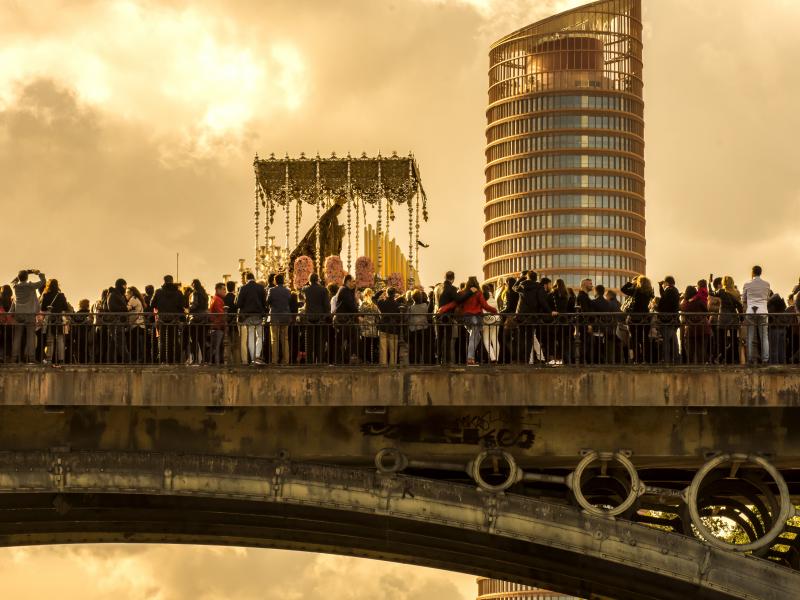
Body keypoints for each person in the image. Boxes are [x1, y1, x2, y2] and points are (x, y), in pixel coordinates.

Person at [441, 276, 497, 366]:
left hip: (465, 318)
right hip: (475, 318)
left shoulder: (463, 292)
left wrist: (443, 308)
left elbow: (455, 303)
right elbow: (485, 305)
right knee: (473, 337)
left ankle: (470, 358)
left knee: (477, 337)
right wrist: (494, 311)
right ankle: (470, 359)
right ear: (477, 283)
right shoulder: (478, 293)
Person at [10, 269, 46, 363]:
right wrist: (37, 273)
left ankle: (14, 358)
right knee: (30, 337)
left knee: (17, 337)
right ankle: (31, 358)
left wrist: (26, 272)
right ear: (26, 277)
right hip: (29, 314)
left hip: (19, 314)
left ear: (19, 278)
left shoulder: (15, 287)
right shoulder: (30, 286)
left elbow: (13, 281)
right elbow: (43, 281)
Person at [151, 275, 187, 364]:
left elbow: (152, 304)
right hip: (174, 320)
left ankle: (163, 360)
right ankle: (176, 359)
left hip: (162, 320)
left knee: (163, 340)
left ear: (164, 281)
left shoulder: (158, 292)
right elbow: (184, 304)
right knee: (174, 340)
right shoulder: (178, 292)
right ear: (172, 281)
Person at [621, 275, 655, 364]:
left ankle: (637, 359)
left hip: (634, 318)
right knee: (645, 339)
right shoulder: (650, 292)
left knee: (634, 339)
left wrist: (631, 283)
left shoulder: (636, 291)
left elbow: (623, 289)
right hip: (646, 318)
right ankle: (646, 359)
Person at [235, 272, 267, 365]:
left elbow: (238, 304)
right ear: (254, 278)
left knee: (251, 337)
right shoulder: (260, 288)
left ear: (246, 278)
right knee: (260, 336)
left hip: (247, 316)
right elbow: (265, 302)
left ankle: (253, 358)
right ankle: (257, 355)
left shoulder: (243, 288)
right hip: (258, 315)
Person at [742, 265, 770, 364]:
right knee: (764, 336)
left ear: (752, 272)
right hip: (763, 311)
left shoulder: (747, 284)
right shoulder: (767, 284)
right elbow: (767, 297)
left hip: (751, 311)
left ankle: (750, 359)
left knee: (750, 336)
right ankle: (765, 359)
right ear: (760, 272)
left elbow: (744, 299)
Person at [302, 273, 330, 365]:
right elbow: (326, 305)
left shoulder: (306, 290)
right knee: (320, 342)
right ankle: (320, 361)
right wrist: (326, 316)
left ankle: (309, 362)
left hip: (309, 318)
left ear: (310, 280)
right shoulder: (323, 290)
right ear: (318, 279)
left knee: (309, 342)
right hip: (320, 319)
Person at [40, 278, 69, 365]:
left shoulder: (46, 295)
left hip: (50, 319)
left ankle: (49, 359)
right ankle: (61, 359)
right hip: (59, 318)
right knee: (60, 339)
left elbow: (43, 308)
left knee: (50, 340)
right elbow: (65, 307)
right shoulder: (61, 295)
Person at [333, 274, 359, 364]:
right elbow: (351, 305)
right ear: (347, 281)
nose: (354, 283)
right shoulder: (344, 290)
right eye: (353, 281)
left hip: (346, 320)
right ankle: (340, 360)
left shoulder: (347, 290)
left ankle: (344, 359)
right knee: (343, 341)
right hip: (343, 320)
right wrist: (358, 313)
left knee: (349, 340)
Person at [266, 273, 292, 365]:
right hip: (285, 316)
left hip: (275, 317)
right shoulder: (288, 290)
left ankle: (274, 360)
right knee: (285, 339)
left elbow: (267, 301)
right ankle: (286, 360)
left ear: (275, 281)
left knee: (274, 339)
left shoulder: (271, 290)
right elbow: (289, 300)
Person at [681, 286, 710, 364]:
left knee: (690, 351)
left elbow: (683, 313)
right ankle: (702, 368)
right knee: (702, 350)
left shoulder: (686, 304)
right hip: (703, 329)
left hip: (691, 330)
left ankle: (691, 368)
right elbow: (706, 312)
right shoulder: (700, 301)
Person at [435, 271, 459, 364]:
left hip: (437, 315)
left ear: (445, 277)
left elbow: (435, 302)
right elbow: (456, 302)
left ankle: (438, 358)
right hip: (448, 316)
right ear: (453, 279)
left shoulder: (437, 288)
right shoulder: (453, 289)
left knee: (439, 337)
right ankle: (447, 360)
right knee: (448, 339)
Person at [656, 276, 680, 364]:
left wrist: (657, 308)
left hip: (667, 319)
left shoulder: (669, 291)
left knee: (666, 341)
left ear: (667, 282)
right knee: (673, 340)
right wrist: (661, 287)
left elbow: (663, 301)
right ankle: (676, 359)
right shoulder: (674, 290)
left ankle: (666, 360)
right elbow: (664, 297)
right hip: (673, 319)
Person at [105, 278, 129, 363]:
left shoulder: (116, 294)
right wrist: (126, 308)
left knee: (114, 343)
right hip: (116, 322)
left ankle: (110, 361)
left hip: (117, 322)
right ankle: (126, 361)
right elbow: (112, 308)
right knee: (121, 342)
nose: (126, 287)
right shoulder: (113, 295)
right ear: (121, 285)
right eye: (125, 285)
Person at [377, 287, 401, 366]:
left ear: (387, 293)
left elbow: (374, 298)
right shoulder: (397, 305)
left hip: (383, 327)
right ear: (394, 294)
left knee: (383, 348)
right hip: (393, 328)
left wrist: (381, 291)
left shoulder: (381, 302)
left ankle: (383, 365)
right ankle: (393, 365)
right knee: (393, 349)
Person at [187, 279, 209, 365]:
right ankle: (205, 360)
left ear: (193, 285)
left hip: (195, 319)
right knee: (202, 340)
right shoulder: (205, 294)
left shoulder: (195, 293)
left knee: (194, 340)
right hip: (204, 319)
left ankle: (195, 359)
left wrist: (188, 310)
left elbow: (194, 305)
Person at [408, 289, 431, 364]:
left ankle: (415, 362)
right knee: (424, 347)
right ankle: (426, 362)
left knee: (415, 347)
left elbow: (407, 317)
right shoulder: (425, 306)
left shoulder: (411, 308)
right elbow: (428, 316)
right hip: (424, 328)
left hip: (413, 329)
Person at [358, 287, 381, 363]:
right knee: (373, 345)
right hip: (373, 328)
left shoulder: (363, 305)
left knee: (366, 345)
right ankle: (373, 360)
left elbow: (359, 315)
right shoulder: (374, 306)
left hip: (365, 328)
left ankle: (366, 360)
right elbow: (378, 316)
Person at [126, 286, 146, 363]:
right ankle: (140, 359)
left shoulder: (133, 299)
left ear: (131, 293)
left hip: (136, 324)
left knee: (134, 344)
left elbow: (127, 309)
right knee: (139, 344)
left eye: (127, 293)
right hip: (140, 324)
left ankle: (135, 360)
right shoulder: (137, 299)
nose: (126, 294)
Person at [767, 291, 788, 364]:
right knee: (782, 349)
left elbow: (770, 314)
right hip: (783, 328)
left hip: (774, 328)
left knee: (773, 349)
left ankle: (775, 365)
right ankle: (782, 364)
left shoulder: (771, 303)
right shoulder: (781, 302)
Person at [209, 283, 226, 365]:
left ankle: (216, 364)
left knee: (216, 348)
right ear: (218, 290)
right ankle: (217, 366)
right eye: (223, 289)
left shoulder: (214, 299)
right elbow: (221, 314)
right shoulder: (218, 300)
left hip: (215, 326)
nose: (224, 291)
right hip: (218, 327)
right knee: (217, 348)